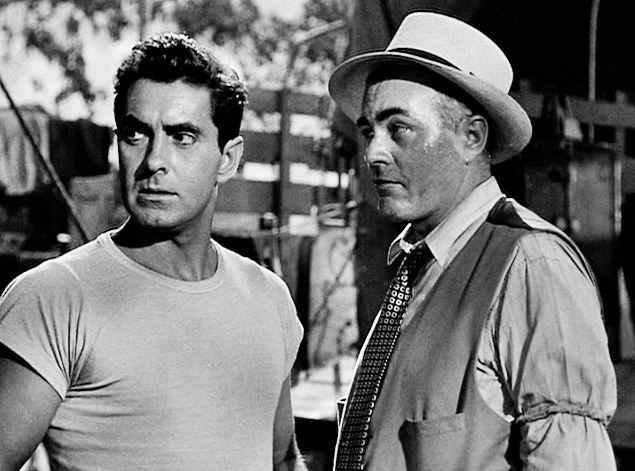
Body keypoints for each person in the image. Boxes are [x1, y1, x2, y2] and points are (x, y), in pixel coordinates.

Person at [0, 33, 307, 471]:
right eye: (136, 134)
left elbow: (283, 459)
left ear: (228, 158)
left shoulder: (268, 297)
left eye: (182, 137)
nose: (153, 161)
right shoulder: (54, 297)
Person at [328, 12, 617, 471]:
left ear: (471, 137)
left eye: (398, 128)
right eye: (368, 131)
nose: (374, 153)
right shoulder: (418, 264)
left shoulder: (531, 264)